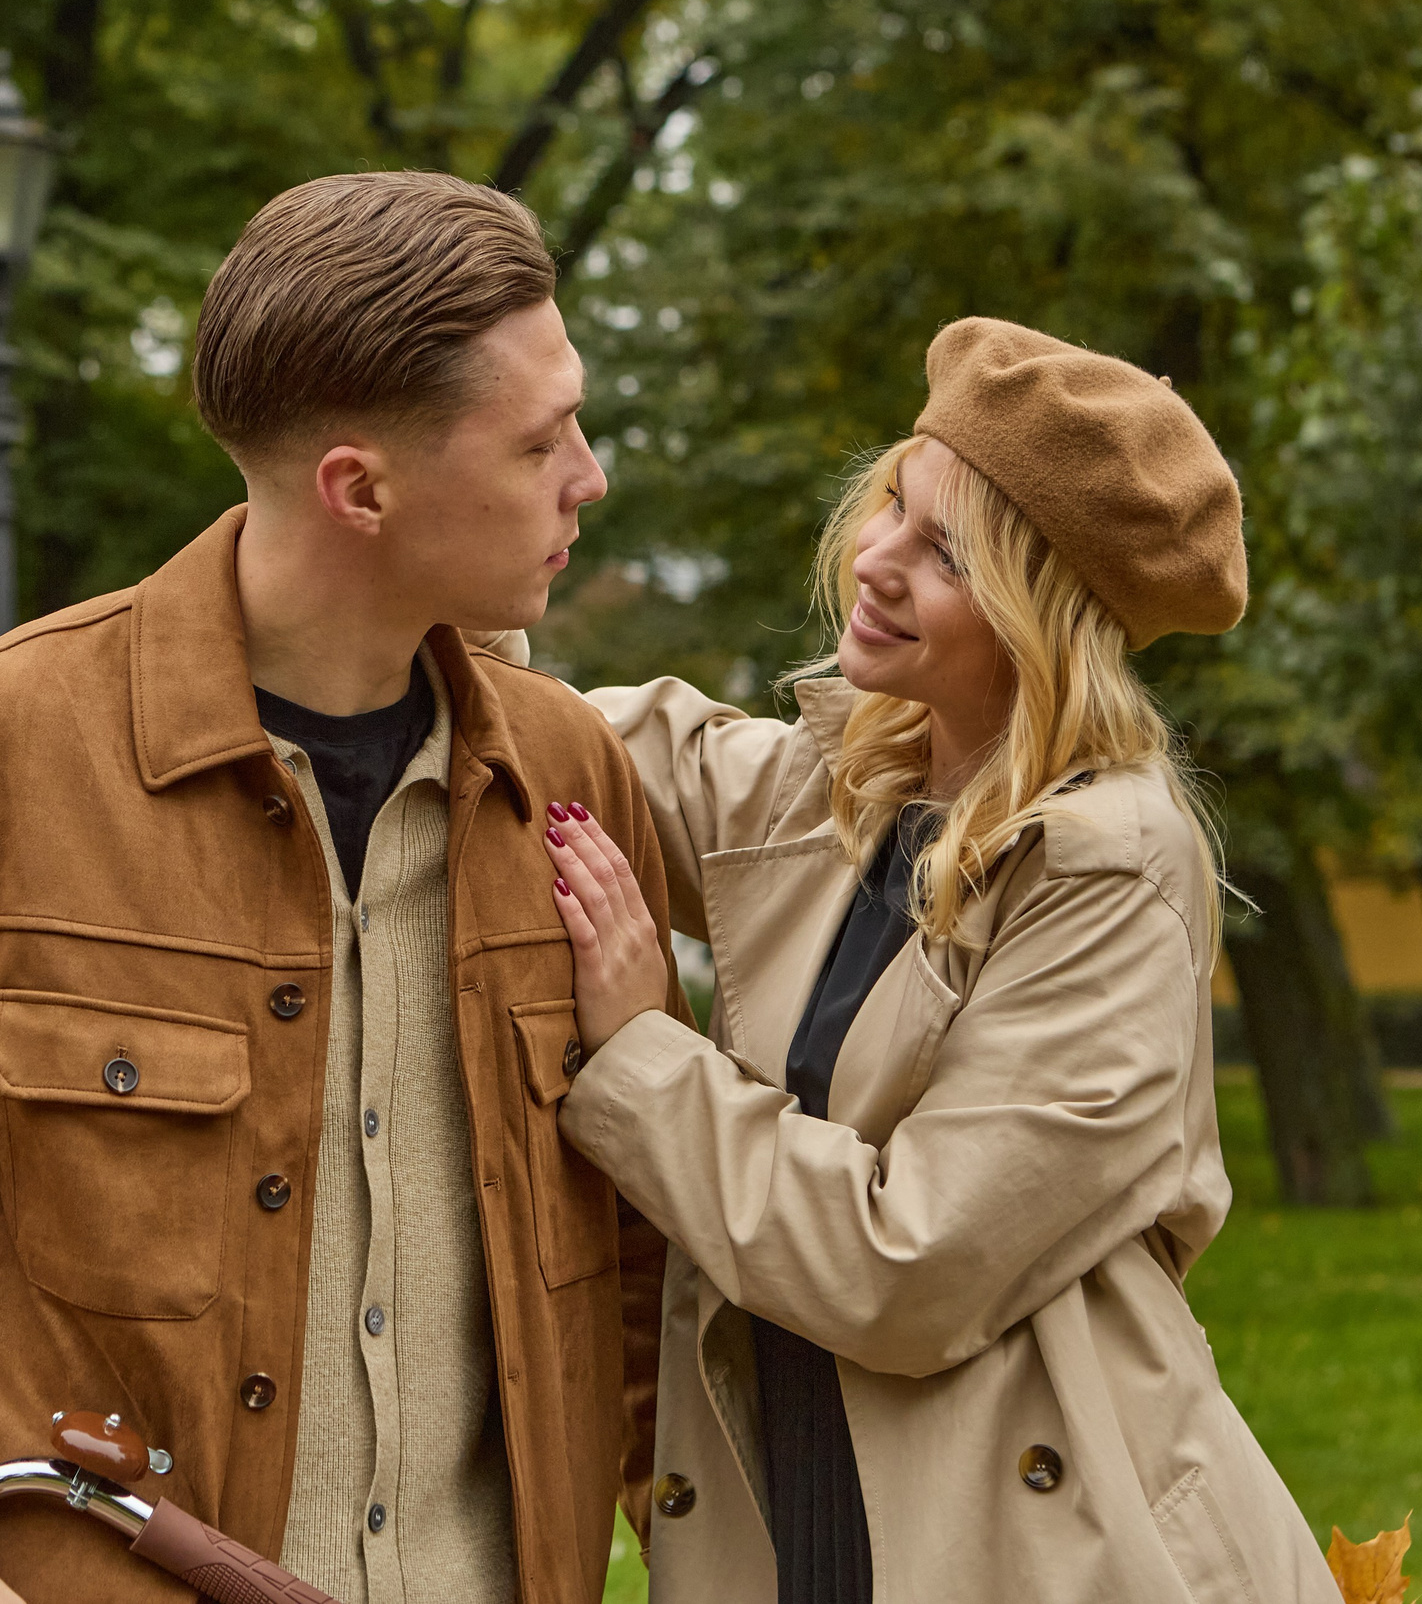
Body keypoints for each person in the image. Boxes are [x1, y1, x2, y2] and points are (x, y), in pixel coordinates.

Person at [0, 172, 682, 1604]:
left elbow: (632, 1255)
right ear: (360, 486)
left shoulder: (567, 774)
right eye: (539, 438)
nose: (590, 471)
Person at [530, 319, 1340, 1603]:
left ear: (1046, 617)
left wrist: (638, 1054)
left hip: (1040, 1559)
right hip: (807, 1527)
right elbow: (564, 747)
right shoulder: (847, 783)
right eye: (892, 506)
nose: (878, 561)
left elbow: (905, 1267)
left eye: (945, 554)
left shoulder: (1109, 865)